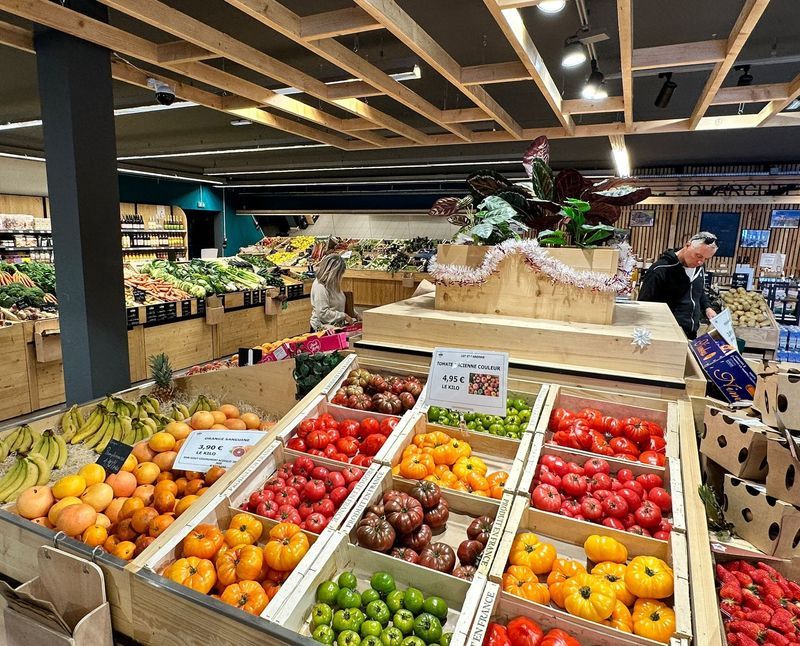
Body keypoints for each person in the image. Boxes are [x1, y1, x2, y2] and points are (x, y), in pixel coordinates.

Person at [638, 232, 719, 339]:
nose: (700, 262)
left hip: (691, 334)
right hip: (666, 334)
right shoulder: (660, 270)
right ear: (687, 245)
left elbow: (698, 291)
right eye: (698, 256)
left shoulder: (699, 267)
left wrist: (707, 307)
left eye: (706, 259)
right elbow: (644, 304)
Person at [310, 253, 355, 331]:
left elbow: (339, 303)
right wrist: (343, 316)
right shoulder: (320, 286)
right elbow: (323, 313)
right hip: (322, 329)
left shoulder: (332, 283)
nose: (341, 277)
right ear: (333, 272)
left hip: (336, 326)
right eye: (339, 274)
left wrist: (355, 314)